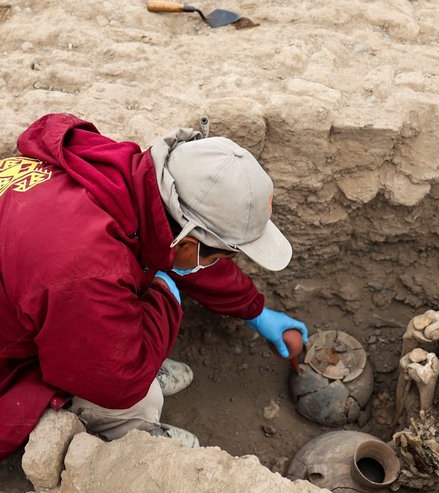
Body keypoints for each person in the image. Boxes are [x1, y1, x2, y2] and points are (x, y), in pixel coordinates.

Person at [0, 113, 308, 456]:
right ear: (189, 244)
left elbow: (174, 245)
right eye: (222, 256)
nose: (217, 264)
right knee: (139, 395)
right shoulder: (90, 270)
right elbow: (119, 382)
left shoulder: (119, 175)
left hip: (24, 305)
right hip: (7, 371)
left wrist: (256, 309)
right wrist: (165, 295)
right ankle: (131, 435)